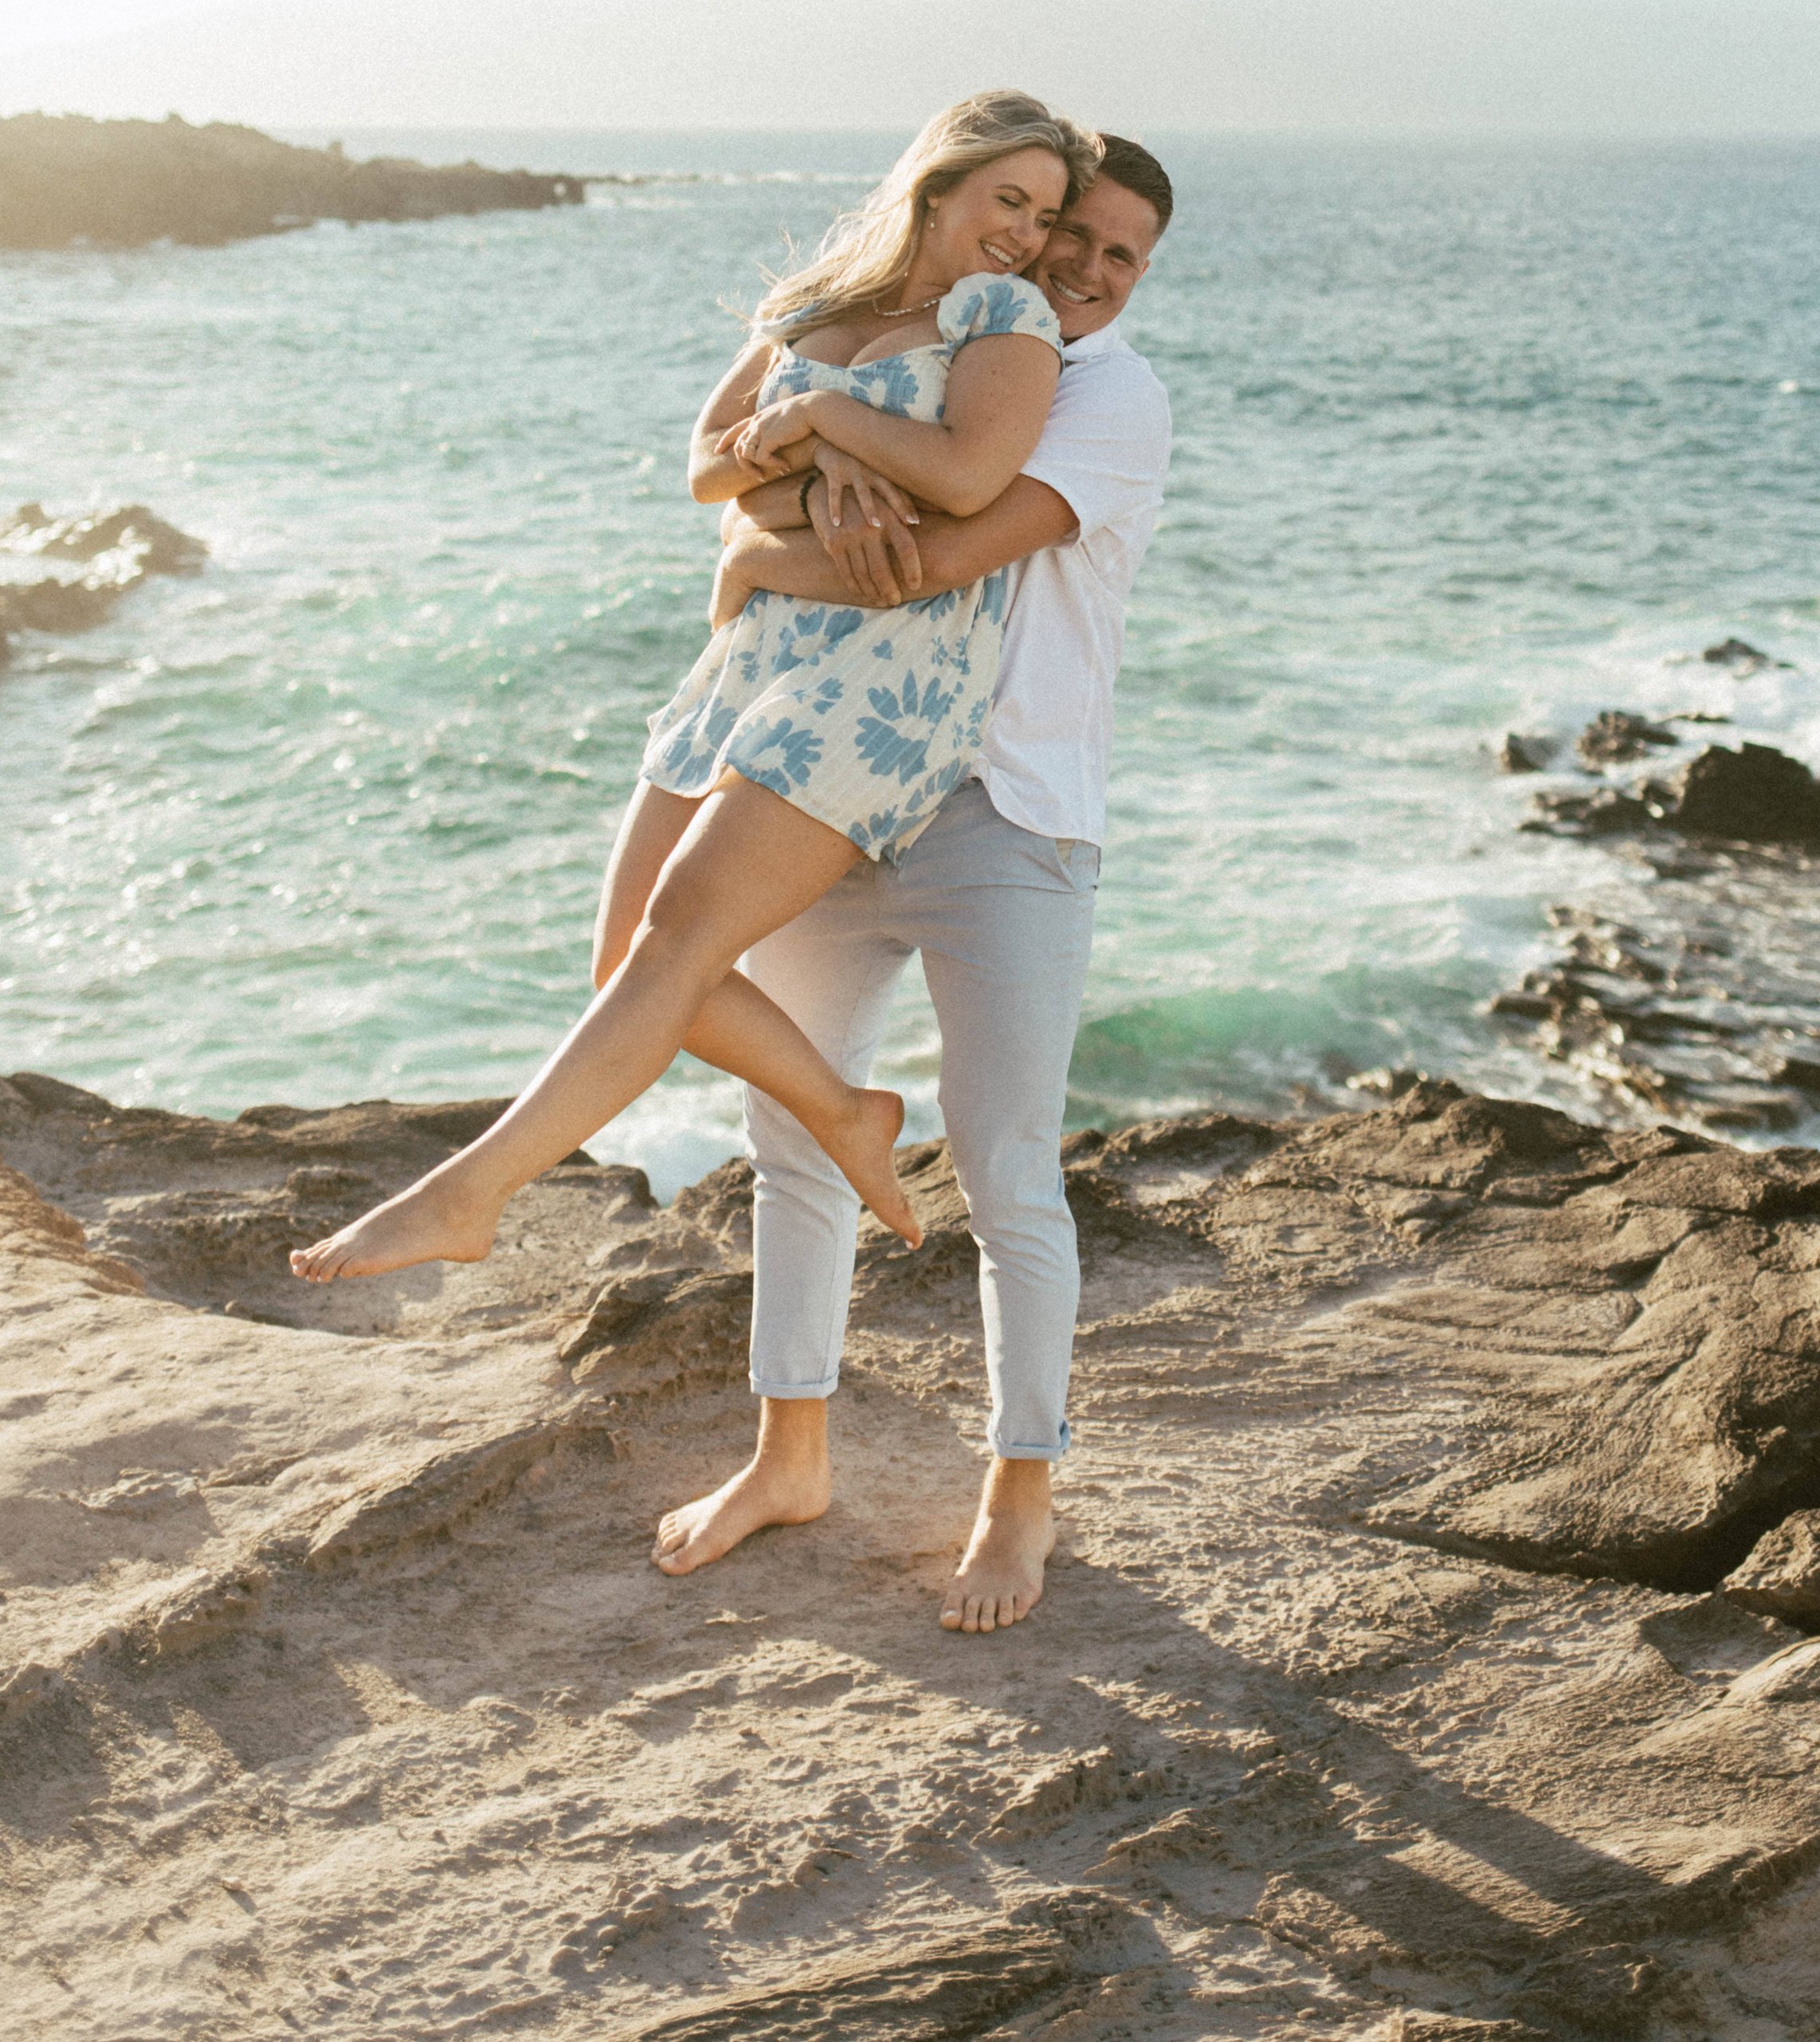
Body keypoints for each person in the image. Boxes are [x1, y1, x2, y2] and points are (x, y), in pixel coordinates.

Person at [290, 90, 1101, 1287]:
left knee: (677, 938)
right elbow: (705, 468)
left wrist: (820, 419)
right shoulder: (819, 301)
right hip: (755, 650)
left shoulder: (1005, 314)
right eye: (1010, 201)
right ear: (940, 184)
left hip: (890, 670)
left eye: (1045, 214)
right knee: (627, 951)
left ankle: (470, 1192)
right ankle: (842, 1108)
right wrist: (820, 472)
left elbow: (970, 479)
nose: (1027, 233)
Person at [601, 137, 1174, 1632]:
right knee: (791, 1130)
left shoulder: (1111, 398)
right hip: (848, 790)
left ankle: (1017, 1497)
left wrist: (773, 534)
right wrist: (809, 480)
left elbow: (917, 557)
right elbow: (743, 492)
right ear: (1002, 223)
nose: (1087, 270)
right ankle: (789, 1456)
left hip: (1012, 815)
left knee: (1007, 1167)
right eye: (1069, 237)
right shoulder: (948, 347)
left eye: (1121, 256)